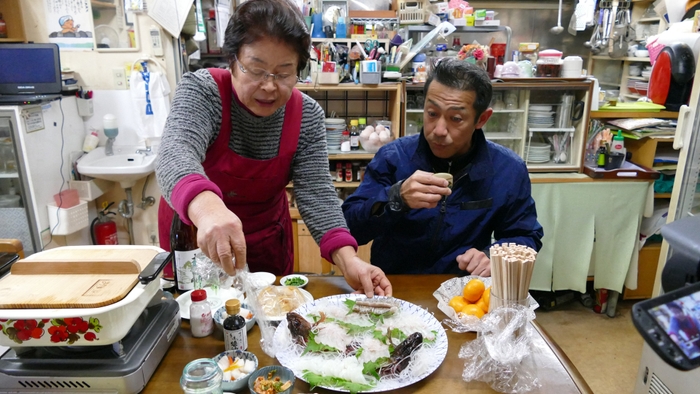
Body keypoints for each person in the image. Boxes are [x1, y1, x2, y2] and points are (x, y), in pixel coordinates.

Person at [155, 0, 391, 297]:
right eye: (256, 70)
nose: (269, 86)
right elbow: (175, 152)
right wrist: (209, 210)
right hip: (196, 237)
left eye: (283, 73)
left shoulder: (306, 115)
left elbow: (316, 193)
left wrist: (349, 260)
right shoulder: (204, 91)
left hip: (265, 243)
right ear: (233, 61)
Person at [342, 59, 543, 275]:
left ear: (481, 119)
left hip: (466, 292)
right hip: (396, 291)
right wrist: (396, 198)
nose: (438, 130)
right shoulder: (393, 158)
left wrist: (493, 255)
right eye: (432, 113)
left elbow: (525, 235)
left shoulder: (508, 169)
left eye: (456, 118)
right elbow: (350, 228)